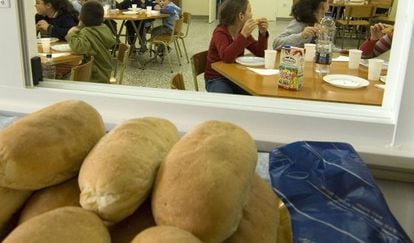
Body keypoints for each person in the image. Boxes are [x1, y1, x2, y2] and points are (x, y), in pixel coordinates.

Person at [204, 0, 269, 94]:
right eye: (250, 11)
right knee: (227, 99)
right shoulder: (220, 32)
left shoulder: (241, 32)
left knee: (255, 92)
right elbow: (226, 57)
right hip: (217, 78)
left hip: (235, 76)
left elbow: (260, 53)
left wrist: (262, 33)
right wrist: (243, 35)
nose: (252, 15)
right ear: (241, 16)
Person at [66, 1, 116, 83]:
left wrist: (71, 34)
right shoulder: (104, 28)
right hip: (106, 71)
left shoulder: (87, 32)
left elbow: (78, 47)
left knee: (67, 78)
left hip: (95, 76)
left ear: (81, 18)